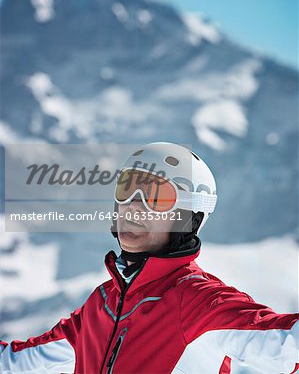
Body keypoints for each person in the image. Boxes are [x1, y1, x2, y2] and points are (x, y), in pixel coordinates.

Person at [0, 141, 298, 374]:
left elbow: (286, 344)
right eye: (127, 190)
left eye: (155, 197)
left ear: (187, 219)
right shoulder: (101, 304)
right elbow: (18, 361)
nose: (133, 206)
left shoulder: (199, 302)